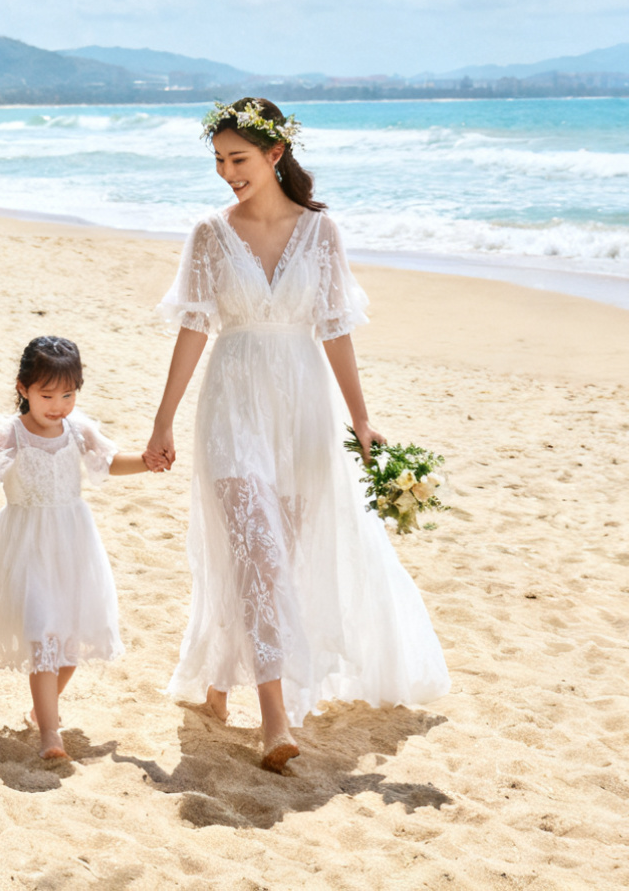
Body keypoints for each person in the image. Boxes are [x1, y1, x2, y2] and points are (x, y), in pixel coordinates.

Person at [143, 98, 449, 773]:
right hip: (231, 399)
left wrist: (361, 418)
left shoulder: (320, 232)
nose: (227, 172)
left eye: (239, 159)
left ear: (275, 154)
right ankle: (275, 717)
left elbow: (334, 328)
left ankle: (218, 675)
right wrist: (163, 418)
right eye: (219, 160)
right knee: (255, 550)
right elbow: (192, 327)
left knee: (274, 553)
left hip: (302, 407)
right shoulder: (208, 233)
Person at [0, 336, 148, 761]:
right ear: (22, 388)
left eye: (68, 394)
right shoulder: (11, 434)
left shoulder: (78, 430)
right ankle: (50, 737)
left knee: (70, 645)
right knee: (43, 637)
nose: (57, 405)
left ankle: (43, 713)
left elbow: (110, 462)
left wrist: (146, 461)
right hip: (26, 546)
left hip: (73, 544)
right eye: (46, 395)